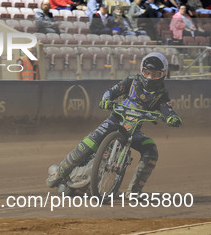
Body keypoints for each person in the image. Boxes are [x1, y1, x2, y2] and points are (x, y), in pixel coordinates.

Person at [46, 52, 183, 195]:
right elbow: (111, 92)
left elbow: (167, 109)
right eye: (147, 72)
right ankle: (60, 172)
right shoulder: (131, 81)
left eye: (154, 74)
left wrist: (172, 117)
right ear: (141, 70)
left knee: (151, 149)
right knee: (89, 142)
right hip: (114, 121)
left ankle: (134, 191)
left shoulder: (161, 94)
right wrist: (106, 100)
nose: (149, 77)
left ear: (163, 74)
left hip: (133, 130)